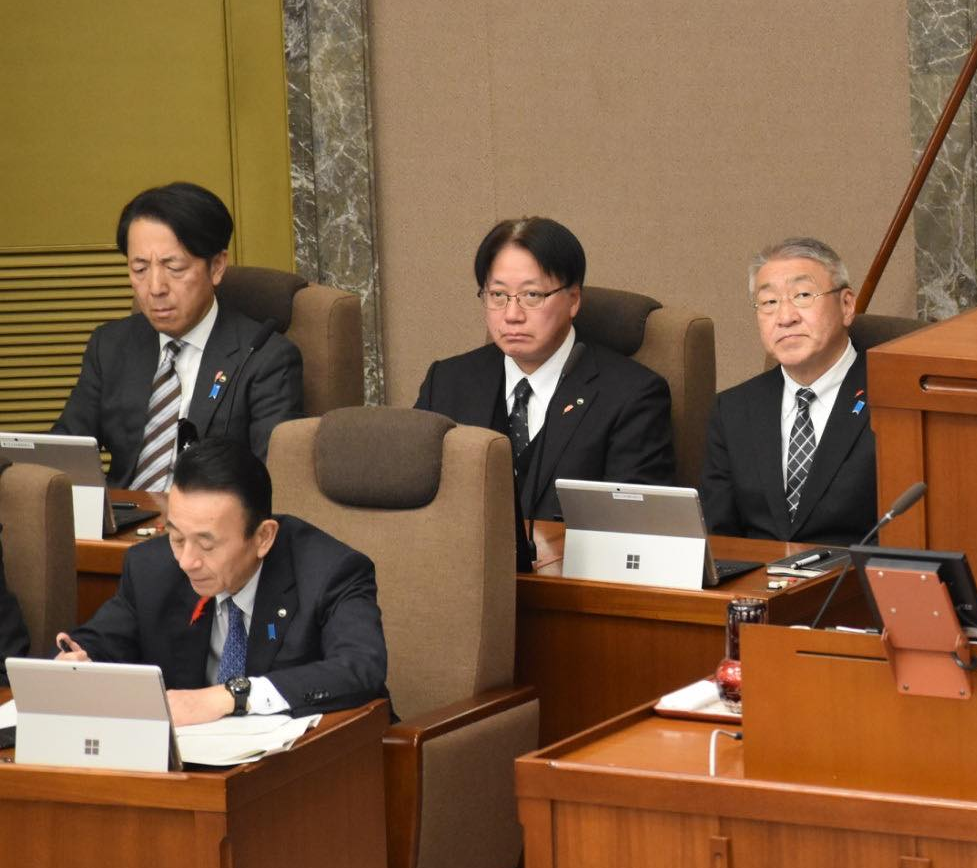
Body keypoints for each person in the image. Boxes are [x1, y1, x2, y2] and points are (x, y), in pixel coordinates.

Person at [56, 439, 388, 723]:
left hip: (311, 766)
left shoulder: (330, 572)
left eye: (207, 544)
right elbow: (101, 643)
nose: (187, 561)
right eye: (177, 538)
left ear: (263, 537)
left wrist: (233, 696)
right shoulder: (151, 568)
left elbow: (360, 668)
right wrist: (77, 662)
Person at [414, 217, 677, 521]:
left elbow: (633, 525)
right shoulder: (447, 382)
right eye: (498, 295)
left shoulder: (632, 395)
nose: (512, 315)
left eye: (532, 296)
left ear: (573, 300)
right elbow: (415, 499)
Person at [52, 182, 305, 490]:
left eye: (174, 267)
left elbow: (271, 480)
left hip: (209, 531)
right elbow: (65, 451)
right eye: (140, 268)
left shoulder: (265, 358)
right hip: (119, 524)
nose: (155, 287)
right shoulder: (111, 345)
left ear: (216, 266)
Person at [701, 238, 877, 544]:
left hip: (852, 585)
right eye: (769, 302)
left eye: (803, 295)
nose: (785, 317)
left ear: (847, 305)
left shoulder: (893, 400)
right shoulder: (734, 409)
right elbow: (719, 537)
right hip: (756, 587)